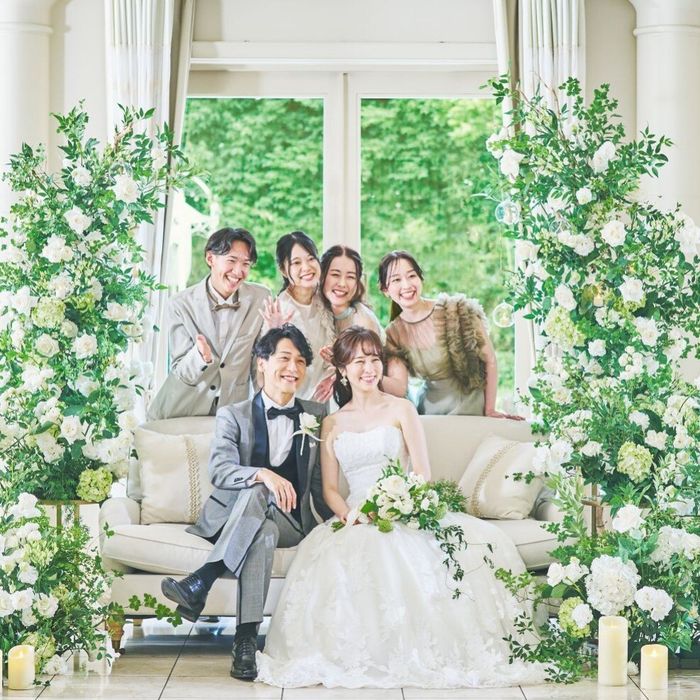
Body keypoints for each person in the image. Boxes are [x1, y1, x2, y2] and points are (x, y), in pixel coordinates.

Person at [256, 327, 543, 688]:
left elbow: (422, 472)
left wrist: (396, 505)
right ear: (342, 369)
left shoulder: (402, 409)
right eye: (359, 362)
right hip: (355, 517)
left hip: (403, 508)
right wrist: (350, 515)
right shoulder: (331, 422)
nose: (369, 369)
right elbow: (329, 489)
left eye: (374, 360)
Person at [160, 325, 333, 680]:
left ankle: (202, 580)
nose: (293, 368)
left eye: (301, 362)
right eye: (285, 358)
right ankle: (245, 642)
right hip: (235, 517)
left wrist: (334, 524)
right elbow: (220, 471)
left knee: (265, 508)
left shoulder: (316, 415)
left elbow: (318, 484)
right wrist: (263, 475)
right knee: (262, 528)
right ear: (262, 363)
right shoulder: (233, 414)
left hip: (292, 521)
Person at [378, 250, 521, 418]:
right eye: (396, 280)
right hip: (430, 412)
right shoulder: (393, 333)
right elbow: (399, 387)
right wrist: (361, 375)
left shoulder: (458, 310)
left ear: (420, 278)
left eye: (411, 276)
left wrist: (490, 409)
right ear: (385, 290)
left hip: (470, 406)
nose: (407, 285)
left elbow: (490, 360)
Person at [148, 227, 271, 420]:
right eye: (231, 260)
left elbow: (259, 365)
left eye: (246, 264)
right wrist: (199, 357)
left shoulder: (260, 298)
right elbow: (180, 371)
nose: (238, 271)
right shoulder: (180, 304)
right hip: (189, 409)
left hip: (235, 412)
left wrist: (266, 412)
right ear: (210, 258)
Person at [261, 231, 335, 401]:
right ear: (283, 270)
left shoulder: (328, 299)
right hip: (291, 402)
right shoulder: (279, 311)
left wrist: (335, 373)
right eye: (296, 262)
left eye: (311, 259)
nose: (306, 267)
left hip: (327, 399)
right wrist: (274, 335)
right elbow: (267, 372)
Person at [319, 245, 384, 339]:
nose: (342, 284)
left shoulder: (363, 323)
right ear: (322, 276)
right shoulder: (316, 309)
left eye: (350, 277)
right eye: (335, 274)